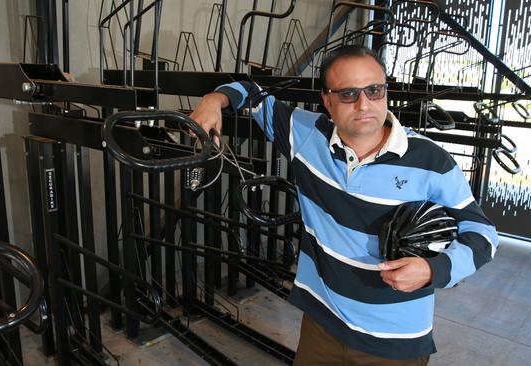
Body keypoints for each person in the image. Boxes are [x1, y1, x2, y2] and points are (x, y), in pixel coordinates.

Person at [190, 45, 498, 365]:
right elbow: (251, 93)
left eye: (374, 90)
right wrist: (214, 101)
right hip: (322, 328)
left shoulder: (430, 159)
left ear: (385, 92)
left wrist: (433, 269)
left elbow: (483, 234)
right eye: (349, 93)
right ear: (328, 101)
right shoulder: (307, 136)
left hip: (394, 342)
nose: (364, 104)